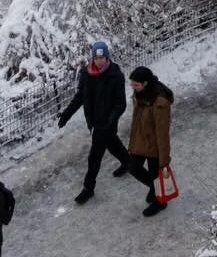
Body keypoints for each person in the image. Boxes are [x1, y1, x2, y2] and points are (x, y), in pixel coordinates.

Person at [58, 40, 127, 201]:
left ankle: (88, 188)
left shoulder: (116, 75)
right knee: (113, 145)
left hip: (107, 123)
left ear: (107, 57)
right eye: (96, 58)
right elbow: (80, 96)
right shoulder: (86, 73)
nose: (99, 61)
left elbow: (120, 103)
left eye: (102, 58)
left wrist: (111, 119)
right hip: (95, 121)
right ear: (93, 58)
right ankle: (128, 163)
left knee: (94, 156)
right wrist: (66, 115)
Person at [115, 67, 174, 217]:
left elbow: (162, 133)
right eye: (132, 84)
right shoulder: (139, 95)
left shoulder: (160, 103)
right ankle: (155, 189)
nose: (133, 88)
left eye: (136, 85)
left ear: (146, 84)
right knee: (133, 168)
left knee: (156, 174)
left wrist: (164, 159)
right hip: (141, 141)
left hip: (155, 146)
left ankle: (161, 202)